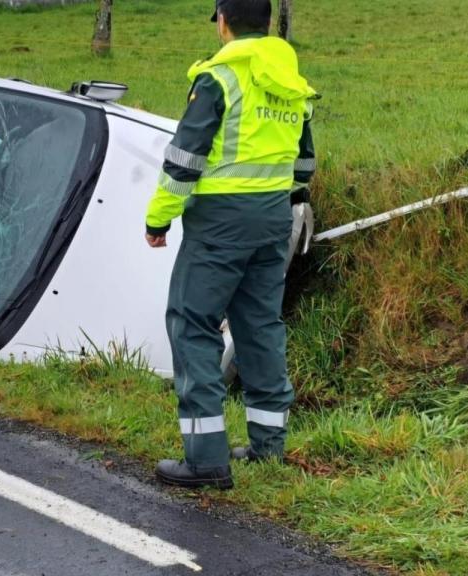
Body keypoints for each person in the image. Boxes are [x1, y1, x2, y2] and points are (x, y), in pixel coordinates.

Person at [144, 0, 317, 489]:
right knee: (260, 326)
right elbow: (304, 167)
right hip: (271, 217)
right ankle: (267, 447)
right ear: (267, 23)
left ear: (223, 23)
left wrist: (158, 219)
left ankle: (205, 459)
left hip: (220, 223)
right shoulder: (290, 81)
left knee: (193, 323)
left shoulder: (218, 79)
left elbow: (184, 160)